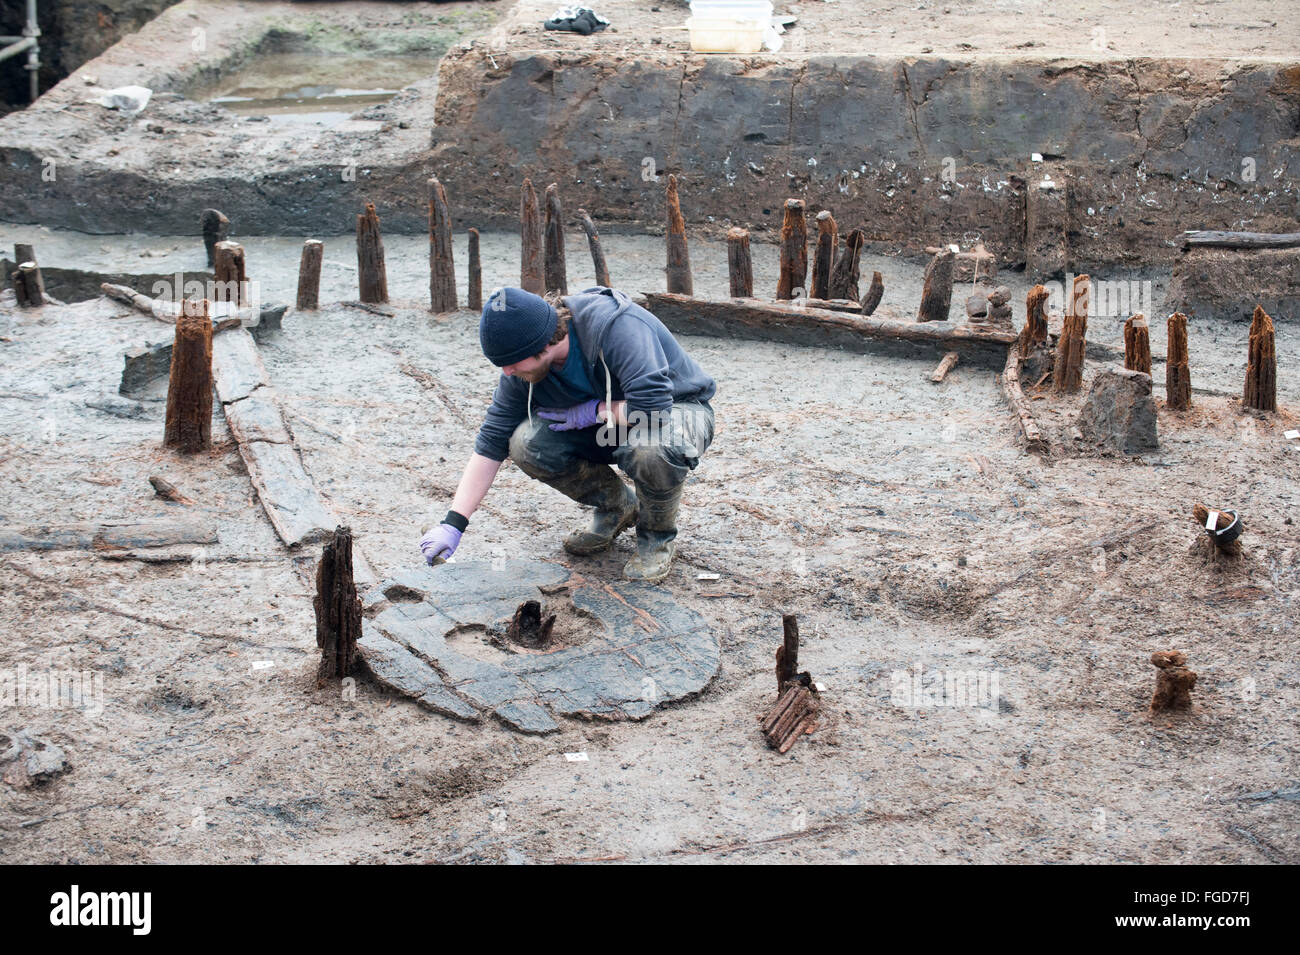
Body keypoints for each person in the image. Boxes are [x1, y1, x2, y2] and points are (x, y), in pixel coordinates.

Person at [420, 285, 716, 583]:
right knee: (526, 443)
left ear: (543, 345)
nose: (507, 372)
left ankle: (656, 538)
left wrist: (594, 411)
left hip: (681, 411)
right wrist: (453, 524)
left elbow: (653, 409)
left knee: (650, 447)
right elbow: (491, 440)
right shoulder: (522, 364)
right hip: (612, 426)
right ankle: (617, 507)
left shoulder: (615, 327)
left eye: (511, 363)